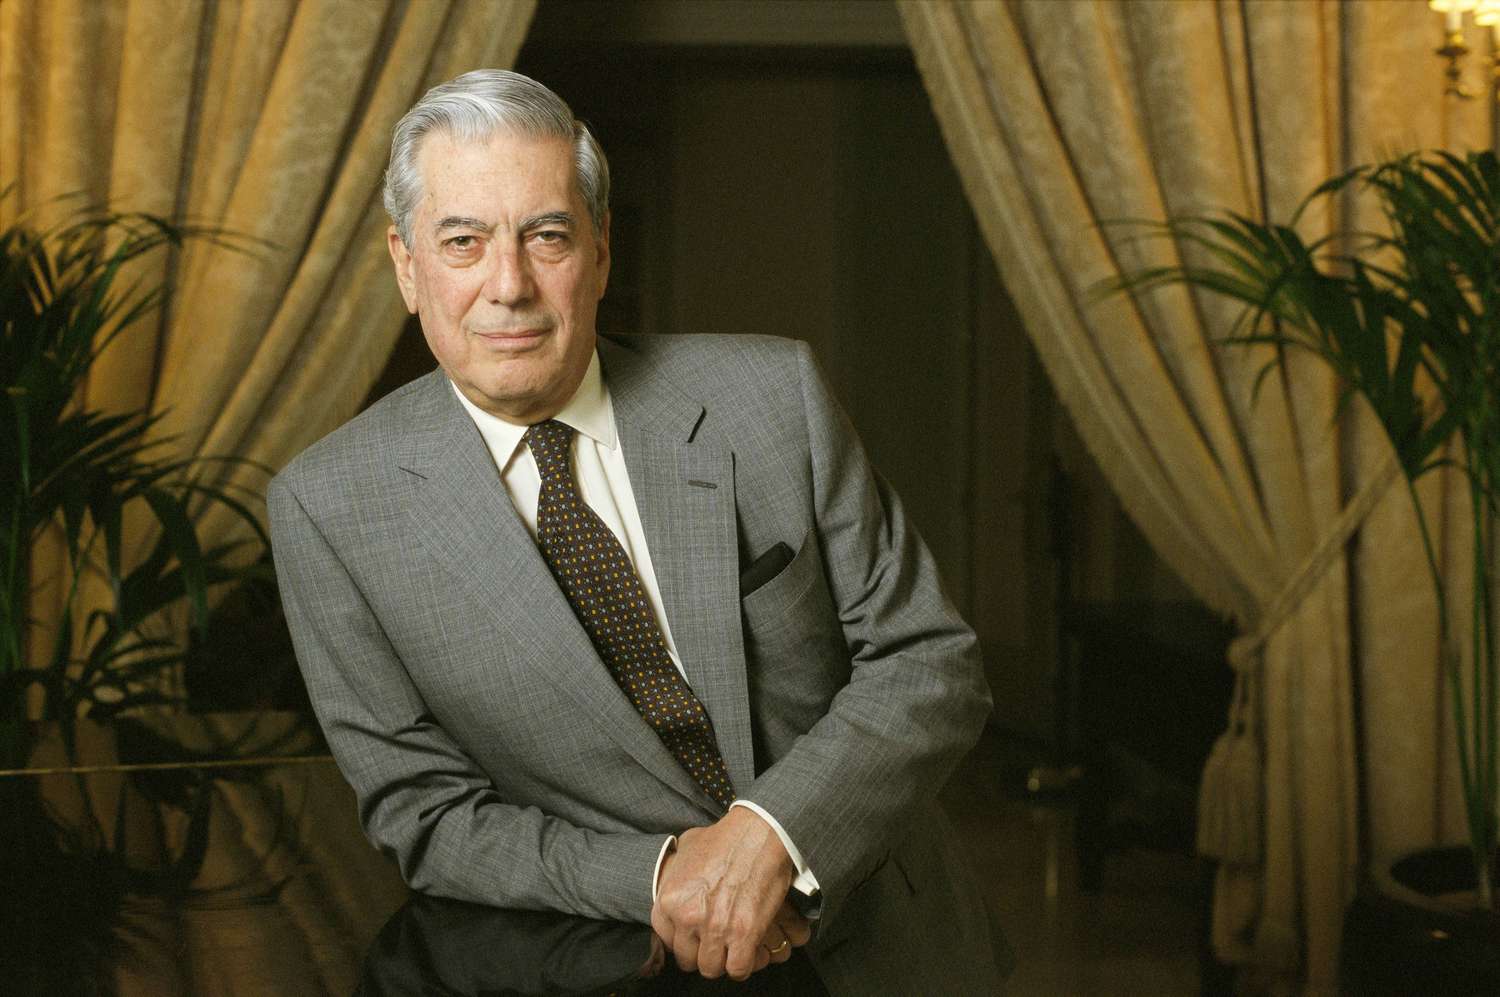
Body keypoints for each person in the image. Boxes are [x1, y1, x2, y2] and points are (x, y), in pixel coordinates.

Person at [268, 69, 1006, 994]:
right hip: (616, 963)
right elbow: (426, 816)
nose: (509, 285)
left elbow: (930, 658)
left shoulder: (773, 399)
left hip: (890, 944)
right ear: (407, 265)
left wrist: (772, 834)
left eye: (547, 235)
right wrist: (663, 874)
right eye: (463, 242)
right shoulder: (329, 508)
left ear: (602, 250)